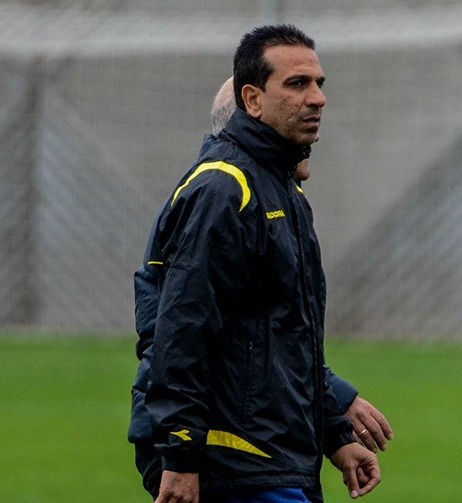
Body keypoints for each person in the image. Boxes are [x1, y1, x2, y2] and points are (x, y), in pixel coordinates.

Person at [144, 24, 381, 502]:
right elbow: (182, 334)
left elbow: (287, 338)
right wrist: (182, 457)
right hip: (236, 458)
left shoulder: (283, 190)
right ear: (252, 100)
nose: (317, 98)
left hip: (279, 458)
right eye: (297, 84)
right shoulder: (224, 189)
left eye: (319, 84)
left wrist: (334, 434)